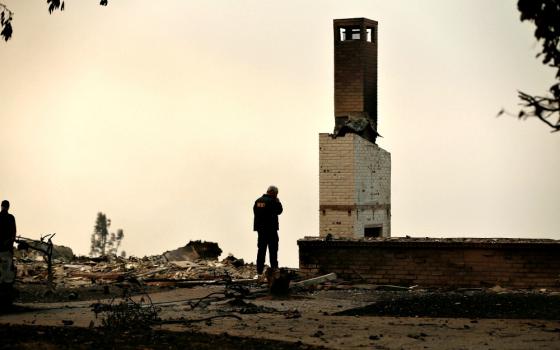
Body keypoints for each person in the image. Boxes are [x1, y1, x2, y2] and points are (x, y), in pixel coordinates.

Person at [253, 185, 283, 275]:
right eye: (276, 194)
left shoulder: (258, 201)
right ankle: (274, 269)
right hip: (271, 229)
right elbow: (279, 211)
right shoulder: (273, 201)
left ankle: (259, 270)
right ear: (273, 193)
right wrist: (278, 202)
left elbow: (255, 212)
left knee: (261, 250)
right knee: (273, 250)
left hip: (261, 230)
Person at [0, 200, 16, 301]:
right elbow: (13, 233)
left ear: (1, 206)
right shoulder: (10, 218)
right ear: (8, 207)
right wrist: (9, 243)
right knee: (7, 271)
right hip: (6, 249)